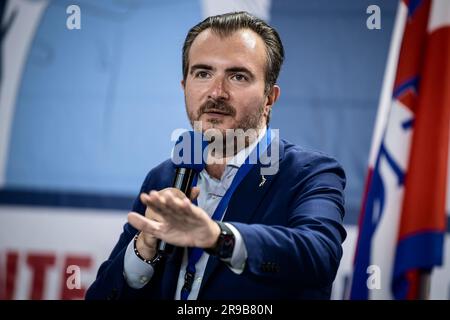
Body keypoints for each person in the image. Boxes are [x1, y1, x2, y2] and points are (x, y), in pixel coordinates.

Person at [85, 11, 346, 300]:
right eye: (203, 73)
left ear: (269, 98)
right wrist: (143, 249)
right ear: (184, 87)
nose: (216, 92)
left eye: (237, 76)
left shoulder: (310, 173)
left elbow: (319, 257)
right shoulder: (163, 177)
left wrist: (216, 237)